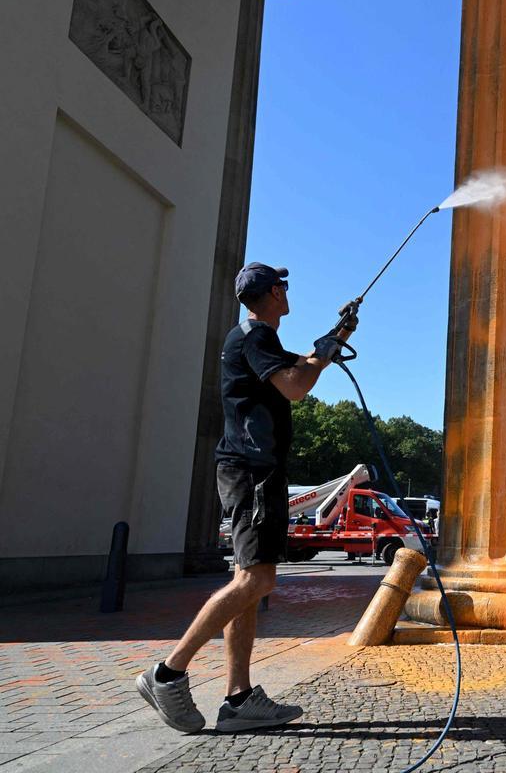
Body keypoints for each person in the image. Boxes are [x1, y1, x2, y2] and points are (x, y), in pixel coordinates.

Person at [136, 262, 355, 734]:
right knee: (255, 581)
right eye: (284, 286)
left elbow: (296, 366)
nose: (287, 290)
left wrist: (333, 337)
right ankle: (167, 673)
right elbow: (296, 386)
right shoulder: (254, 337)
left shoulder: (256, 341)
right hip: (253, 471)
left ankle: (237, 699)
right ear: (275, 292)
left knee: (247, 586)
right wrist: (323, 355)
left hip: (250, 469)